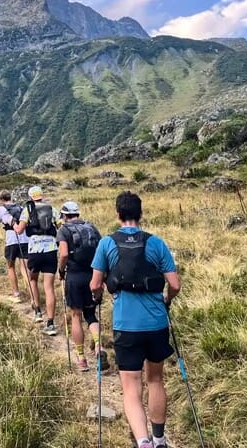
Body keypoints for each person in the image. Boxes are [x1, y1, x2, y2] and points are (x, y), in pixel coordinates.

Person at [90, 191, 181, 448]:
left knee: (131, 388)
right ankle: (160, 438)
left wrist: (98, 295)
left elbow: (95, 284)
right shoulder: (156, 243)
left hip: (125, 326)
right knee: (155, 380)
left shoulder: (107, 244)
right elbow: (174, 284)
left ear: (117, 214)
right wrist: (166, 300)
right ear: (140, 214)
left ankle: (143, 442)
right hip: (156, 323)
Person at [56, 200, 103, 372]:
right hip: (93, 275)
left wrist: (61, 271)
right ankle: (99, 346)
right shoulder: (92, 228)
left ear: (65, 215)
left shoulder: (63, 230)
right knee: (91, 314)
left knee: (76, 316)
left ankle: (82, 358)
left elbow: (63, 254)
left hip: (74, 277)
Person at [14, 185, 57, 334]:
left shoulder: (28, 210)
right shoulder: (52, 209)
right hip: (51, 249)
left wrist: (14, 224)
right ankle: (51, 323)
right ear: (42, 195)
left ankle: (38, 312)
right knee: (49, 287)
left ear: (31, 197)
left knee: (33, 280)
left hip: (35, 250)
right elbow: (61, 227)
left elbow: (19, 230)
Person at [0, 190, 31, 305]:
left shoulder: (1, 209)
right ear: (10, 197)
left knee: (11, 267)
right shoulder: (20, 207)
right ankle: (32, 292)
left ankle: (16, 294)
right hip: (25, 240)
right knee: (24, 267)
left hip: (11, 241)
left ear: (1, 199)